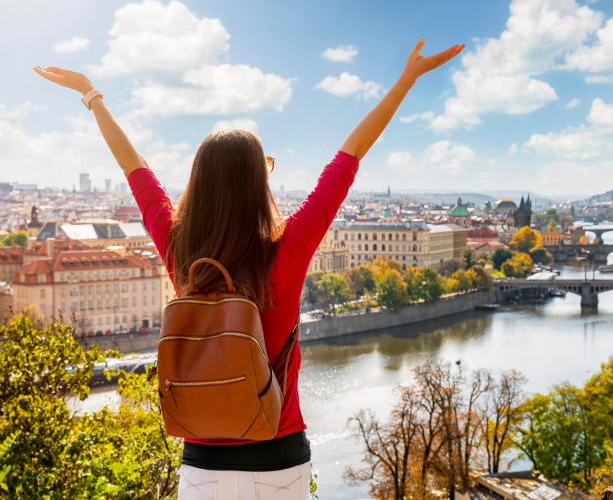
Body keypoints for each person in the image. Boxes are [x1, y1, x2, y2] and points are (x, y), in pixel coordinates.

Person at [34, 38, 464, 499]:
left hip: (201, 465)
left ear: (198, 183)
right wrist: (405, 81)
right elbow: (349, 157)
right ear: (259, 183)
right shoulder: (287, 249)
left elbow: (134, 167)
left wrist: (92, 96)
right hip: (278, 456)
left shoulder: (180, 251)